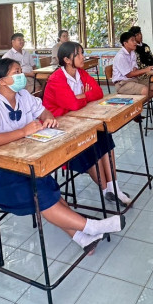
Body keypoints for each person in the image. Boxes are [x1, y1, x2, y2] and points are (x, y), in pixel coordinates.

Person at [0, 58, 125, 253]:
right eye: (16, 72)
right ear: (2, 81)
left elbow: (44, 112)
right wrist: (23, 131)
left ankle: (82, 238)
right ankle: (91, 226)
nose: (22, 75)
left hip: (22, 162)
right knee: (41, 194)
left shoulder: (23, 95)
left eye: (20, 70)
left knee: (48, 188)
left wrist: (49, 120)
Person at [43, 41, 132, 206]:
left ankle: (114, 187)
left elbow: (98, 93)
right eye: (78, 54)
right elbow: (73, 104)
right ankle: (106, 190)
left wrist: (80, 97)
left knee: (104, 137)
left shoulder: (81, 73)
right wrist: (79, 99)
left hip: (80, 120)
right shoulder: (56, 79)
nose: (83, 57)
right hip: (61, 127)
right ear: (67, 60)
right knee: (88, 146)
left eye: (82, 53)